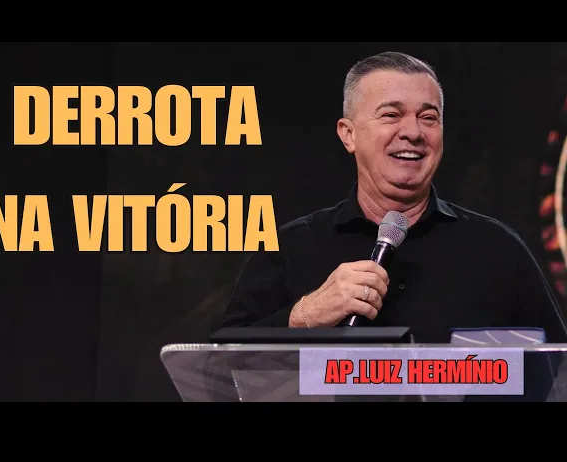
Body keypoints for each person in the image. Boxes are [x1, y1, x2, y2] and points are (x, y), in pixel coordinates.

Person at [217, 51, 567, 347]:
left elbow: (557, 372)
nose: (413, 132)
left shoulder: (498, 250)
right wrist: (304, 316)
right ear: (348, 135)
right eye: (391, 115)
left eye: (428, 117)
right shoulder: (289, 248)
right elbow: (216, 367)